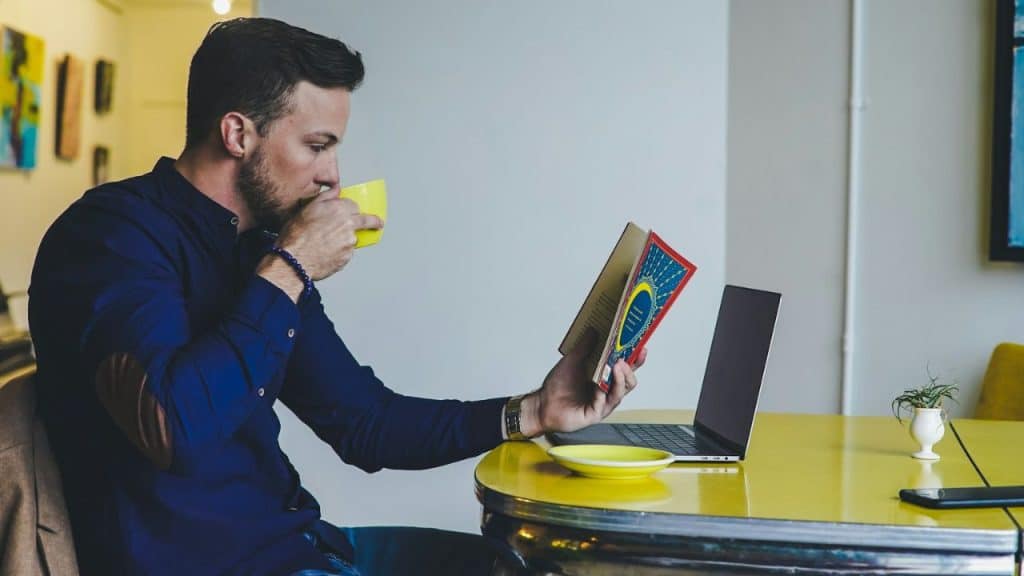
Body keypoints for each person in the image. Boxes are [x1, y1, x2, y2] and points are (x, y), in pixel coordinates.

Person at [28, 17, 645, 576]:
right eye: (317, 146)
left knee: (510, 563)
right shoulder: (110, 237)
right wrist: (292, 265)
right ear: (238, 133)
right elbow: (173, 427)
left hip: (300, 545)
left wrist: (535, 410)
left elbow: (367, 425)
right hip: (220, 565)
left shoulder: (257, 249)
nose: (332, 176)